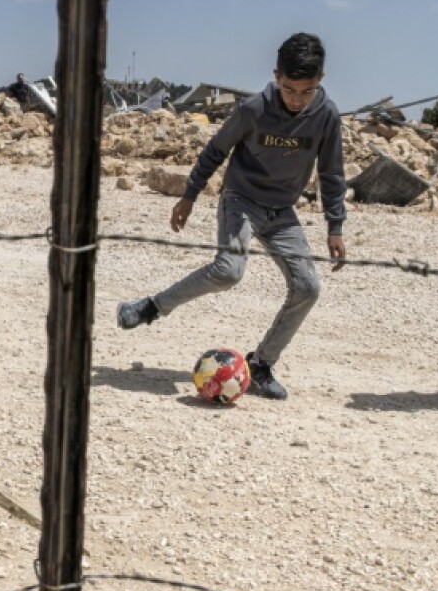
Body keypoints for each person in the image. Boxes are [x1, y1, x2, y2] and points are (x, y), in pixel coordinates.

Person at [116, 32, 347, 400]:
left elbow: (333, 173)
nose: (297, 100)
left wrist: (335, 226)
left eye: (306, 91)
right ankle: (151, 307)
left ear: (320, 81)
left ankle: (261, 365)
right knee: (229, 270)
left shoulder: (326, 116)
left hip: (282, 211)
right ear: (276, 77)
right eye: (289, 90)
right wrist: (189, 195)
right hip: (241, 200)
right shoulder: (252, 110)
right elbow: (214, 151)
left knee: (308, 287)